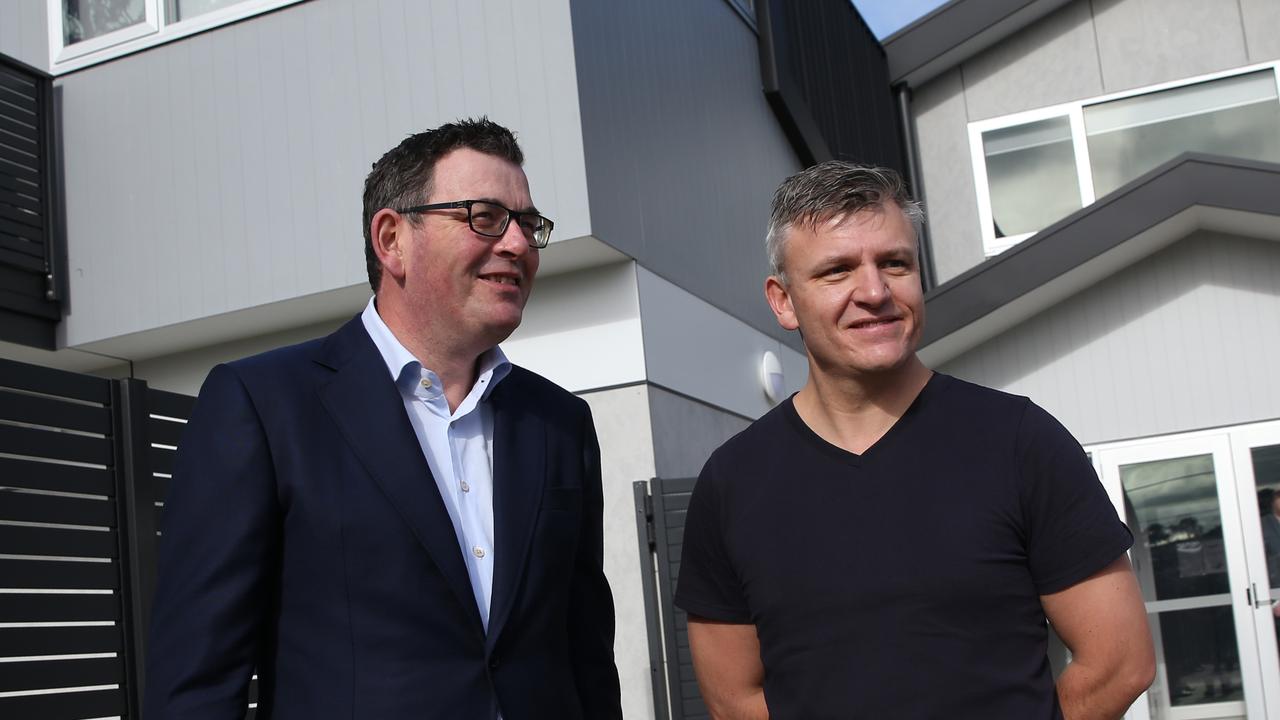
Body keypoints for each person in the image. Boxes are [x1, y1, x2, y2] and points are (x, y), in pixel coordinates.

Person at [144, 118, 622, 719]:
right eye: (485, 216)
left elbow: (584, 655)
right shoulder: (263, 406)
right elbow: (196, 682)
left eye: (528, 224)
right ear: (392, 238)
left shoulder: (558, 421)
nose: (519, 244)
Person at [674, 162, 1154, 719]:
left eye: (895, 263)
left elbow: (1120, 660)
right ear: (783, 301)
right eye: (837, 271)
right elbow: (734, 701)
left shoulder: (1018, 442)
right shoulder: (733, 483)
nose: (874, 291)